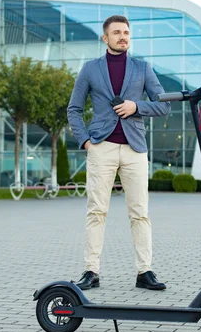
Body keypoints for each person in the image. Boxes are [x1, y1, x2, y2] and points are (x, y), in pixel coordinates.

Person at [67, 15, 171, 291]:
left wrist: (136, 107)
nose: (123, 36)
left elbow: (163, 106)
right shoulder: (90, 69)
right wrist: (86, 142)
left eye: (126, 32)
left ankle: (144, 272)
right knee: (96, 211)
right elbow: (74, 109)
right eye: (117, 32)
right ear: (105, 38)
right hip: (102, 147)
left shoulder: (143, 68)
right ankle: (91, 271)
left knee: (140, 213)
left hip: (135, 149)